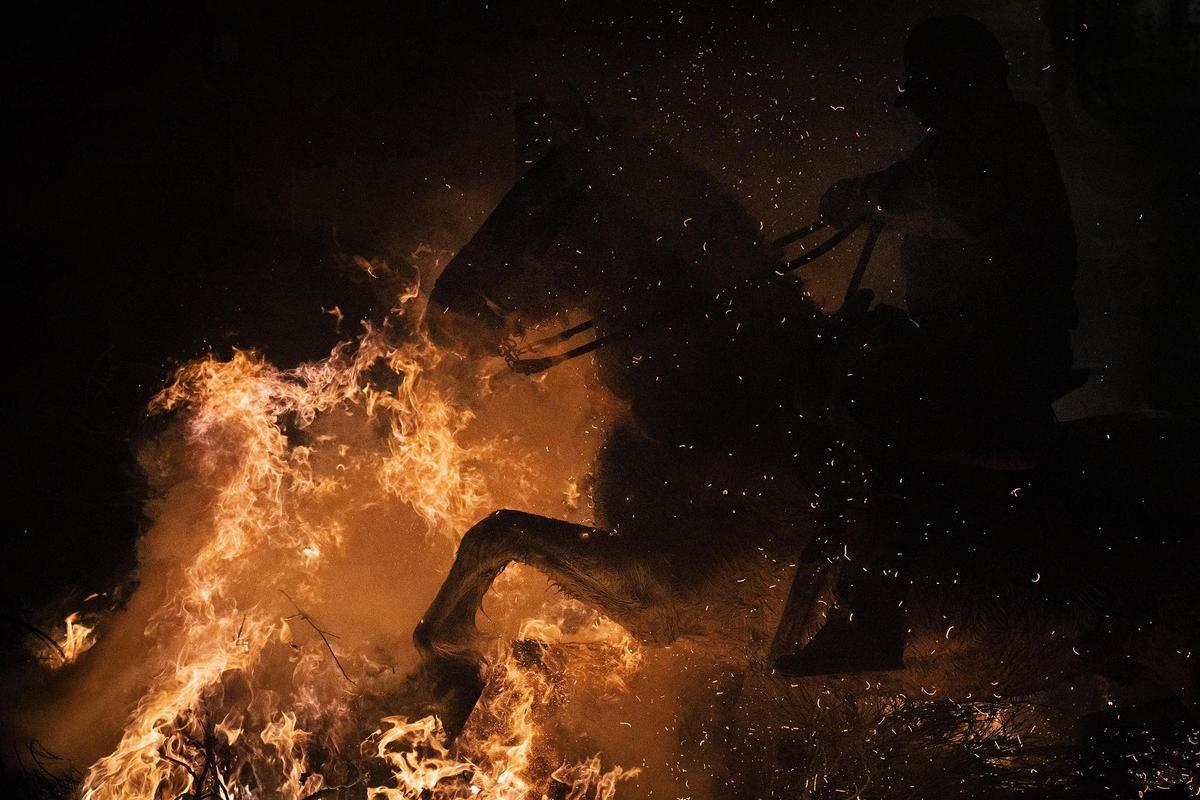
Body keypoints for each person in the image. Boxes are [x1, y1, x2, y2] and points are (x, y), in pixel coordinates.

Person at [773, 15, 1081, 676]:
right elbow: (910, 185)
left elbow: (938, 201)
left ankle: (869, 620)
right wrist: (869, 196)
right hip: (969, 340)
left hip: (1002, 350)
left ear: (960, 82)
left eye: (930, 91)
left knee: (874, 411)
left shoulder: (1002, 137)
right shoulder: (960, 139)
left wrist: (865, 196)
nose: (923, 109)